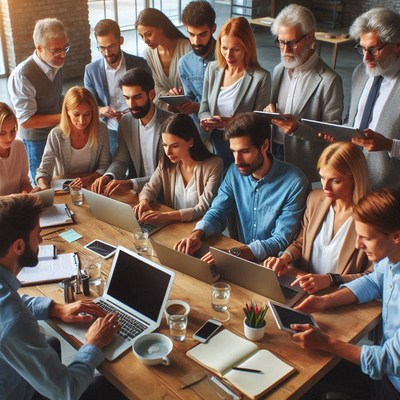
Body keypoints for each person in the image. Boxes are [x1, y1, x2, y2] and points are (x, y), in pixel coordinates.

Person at [0, 194, 126, 399]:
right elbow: (67, 391)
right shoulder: (14, 321)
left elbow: (11, 304)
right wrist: (93, 344)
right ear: (19, 246)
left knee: (51, 343)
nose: (41, 240)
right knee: (113, 387)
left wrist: (54, 308)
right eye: (37, 235)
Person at [292, 187, 400, 400]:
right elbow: (373, 280)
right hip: (381, 372)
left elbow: (389, 360)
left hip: (393, 386)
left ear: (396, 236)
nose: (359, 245)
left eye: (366, 238)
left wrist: (327, 343)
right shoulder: (389, 259)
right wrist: (325, 301)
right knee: (306, 380)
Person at [175, 112, 308, 262]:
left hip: (274, 266)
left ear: (264, 145)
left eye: (245, 151)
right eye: (233, 151)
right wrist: (197, 233)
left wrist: (234, 253)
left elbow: (280, 240)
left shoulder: (295, 182)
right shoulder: (234, 172)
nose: (237, 160)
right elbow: (218, 211)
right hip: (239, 259)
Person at [265, 142, 371, 294]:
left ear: (355, 178)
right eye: (322, 177)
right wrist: (284, 258)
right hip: (304, 290)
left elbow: (374, 277)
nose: (325, 187)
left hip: (341, 298)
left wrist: (330, 280)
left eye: (335, 181)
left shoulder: (372, 217)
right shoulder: (315, 199)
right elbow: (301, 242)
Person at [264, 4, 343, 183]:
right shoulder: (278, 70)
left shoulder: (329, 80)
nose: (285, 50)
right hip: (273, 152)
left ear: (309, 37)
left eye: (291, 43)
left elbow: (333, 134)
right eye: (280, 42)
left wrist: (298, 129)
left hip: (304, 162)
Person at [322, 8, 400, 190]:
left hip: (388, 190)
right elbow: (354, 120)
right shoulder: (360, 73)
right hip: (350, 178)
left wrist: (389, 145)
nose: (366, 58)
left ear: (397, 44)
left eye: (373, 49)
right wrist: (339, 134)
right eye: (362, 48)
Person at [199, 16, 271, 167]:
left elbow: (261, 122)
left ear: (247, 47)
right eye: (224, 48)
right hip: (213, 141)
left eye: (236, 49)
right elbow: (203, 108)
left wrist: (235, 123)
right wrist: (207, 120)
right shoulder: (212, 69)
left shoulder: (261, 77)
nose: (228, 55)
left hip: (242, 147)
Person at [92, 67, 171, 196]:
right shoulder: (126, 122)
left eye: (137, 97)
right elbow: (121, 160)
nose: (131, 104)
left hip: (166, 195)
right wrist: (109, 177)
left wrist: (131, 183)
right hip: (136, 195)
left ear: (152, 94)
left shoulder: (171, 122)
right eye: (127, 98)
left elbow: (170, 172)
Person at [7, 18, 68, 183]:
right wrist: (66, 116)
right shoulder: (23, 76)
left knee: (62, 181)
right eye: (56, 50)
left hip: (57, 133)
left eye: (64, 48)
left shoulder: (56, 63)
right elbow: (26, 121)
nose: (62, 55)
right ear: (39, 48)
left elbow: (55, 96)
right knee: (43, 184)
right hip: (36, 140)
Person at [134, 113, 223, 223]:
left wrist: (167, 216)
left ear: (190, 141)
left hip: (200, 230)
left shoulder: (214, 165)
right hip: (173, 227)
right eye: (165, 145)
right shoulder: (165, 163)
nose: (168, 152)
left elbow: (202, 208)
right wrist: (144, 201)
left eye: (175, 146)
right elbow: (149, 189)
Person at [84, 19, 151, 156]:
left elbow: (150, 97)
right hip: (110, 129)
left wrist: (132, 112)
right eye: (101, 48)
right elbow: (89, 104)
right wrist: (101, 109)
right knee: (114, 166)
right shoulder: (91, 70)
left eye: (111, 46)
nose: (107, 53)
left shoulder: (140, 64)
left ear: (121, 40)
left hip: (138, 125)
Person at [36, 87, 111, 189]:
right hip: (64, 189)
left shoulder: (101, 129)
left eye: (87, 114)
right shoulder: (56, 135)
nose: (81, 121)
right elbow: (44, 171)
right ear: (67, 111)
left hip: (92, 187)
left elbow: (105, 165)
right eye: (76, 114)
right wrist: (44, 187)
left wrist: (89, 179)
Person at [169, 0, 216, 121]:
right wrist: (178, 100)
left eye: (202, 35)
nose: (196, 41)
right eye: (191, 34)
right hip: (199, 131)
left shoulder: (228, 59)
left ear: (213, 29)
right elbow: (189, 99)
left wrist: (197, 107)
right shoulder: (184, 63)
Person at [135, 8, 191, 111]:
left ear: (161, 27)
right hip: (165, 110)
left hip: (189, 109)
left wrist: (182, 95)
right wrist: (169, 98)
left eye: (148, 34)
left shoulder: (187, 48)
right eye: (141, 36)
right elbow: (154, 86)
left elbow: (197, 83)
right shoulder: (148, 53)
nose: (145, 40)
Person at [0, 103, 34, 195]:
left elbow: (24, 182)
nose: (9, 138)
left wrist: (26, 192)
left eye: (13, 130)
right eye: (2, 133)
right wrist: (17, 198)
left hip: (18, 206)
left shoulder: (19, 146)